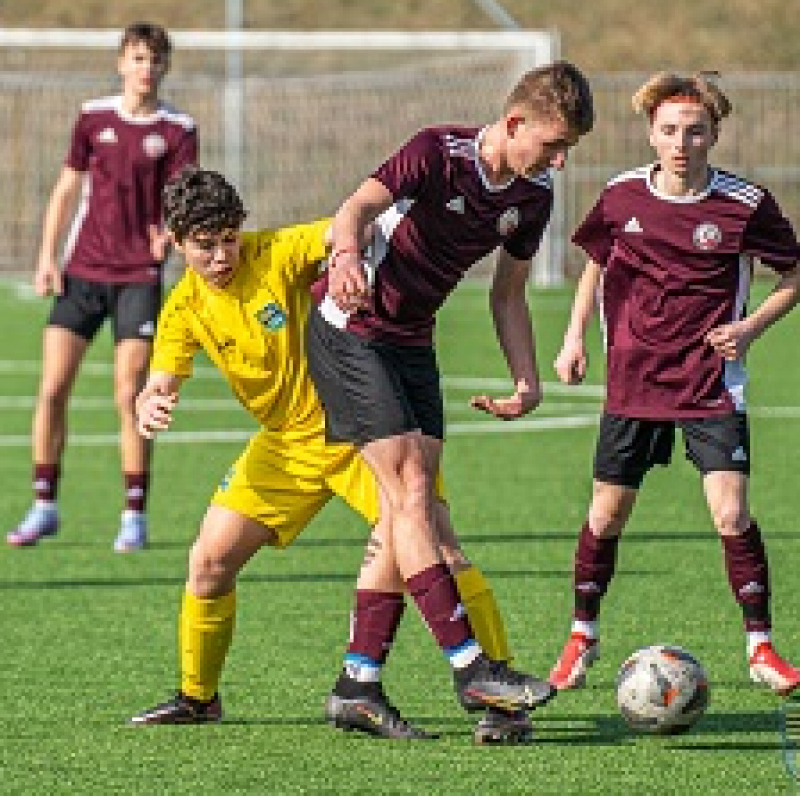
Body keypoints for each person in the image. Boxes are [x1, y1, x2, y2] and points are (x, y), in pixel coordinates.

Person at [129, 166, 542, 743]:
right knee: (208, 562)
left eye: (229, 238)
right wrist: (152, 401)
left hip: (358, 430)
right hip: (284, 447)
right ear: (175, 242)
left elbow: (350, 229)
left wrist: (357, 260)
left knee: (439, 546)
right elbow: (162, 378)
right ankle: (199, 697)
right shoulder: (182, 307)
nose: (222, 255)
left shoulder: (276, 251)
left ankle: (502, 696)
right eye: (205, 246)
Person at [305, 61, 594, 720]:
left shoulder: (532, 197)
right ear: (515, 123)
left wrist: (526, 379)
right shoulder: (437, 152)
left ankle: (358, 681)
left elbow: (509, 294)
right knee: (410, 491)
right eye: (553, 145)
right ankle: (471, 669)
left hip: (411, 341)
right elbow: (356, 208)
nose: (560, 161)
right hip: (350, 331)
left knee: (406, 510)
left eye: (568, 150)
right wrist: (346, 257)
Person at [548, 72, 800, 695]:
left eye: (694, 131)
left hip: (710, 382)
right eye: (669, 131)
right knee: (605, 517)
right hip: (633, 381)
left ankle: (761, 646)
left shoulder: (744, 205)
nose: (681, 143)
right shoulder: (621, 196)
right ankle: (582, 634)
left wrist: (748, 328)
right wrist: (574, 336)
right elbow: (595, 266)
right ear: (651, 133)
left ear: (714, 134)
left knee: (730, 511)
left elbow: (793, 276)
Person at [6, 22, 197, 552]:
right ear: (121, 63)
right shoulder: (93, 117)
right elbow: (68, 187)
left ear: (165, 67)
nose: (146, 69)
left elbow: (182, 194)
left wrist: (170, 234)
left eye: (155, 60)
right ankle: (44, 503)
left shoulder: (179, 129)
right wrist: (47, 256)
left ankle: (133, 514)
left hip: (138, 276)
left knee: (130, 394)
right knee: (51, 389)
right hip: (83, 270)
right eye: (137, 58)